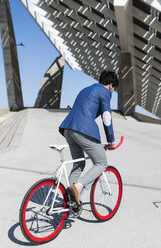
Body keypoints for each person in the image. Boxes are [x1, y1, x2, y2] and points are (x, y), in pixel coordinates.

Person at [58, 70, 119, 206]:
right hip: (83, 130)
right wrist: (111, 141)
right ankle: (77, 188)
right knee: (101, 163)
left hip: (68, 129)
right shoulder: (105, 92)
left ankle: (70, 203)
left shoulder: (85, 89)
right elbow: (107, 117)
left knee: (78, 164)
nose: (112, 93)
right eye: (113, 90)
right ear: (110, 85)